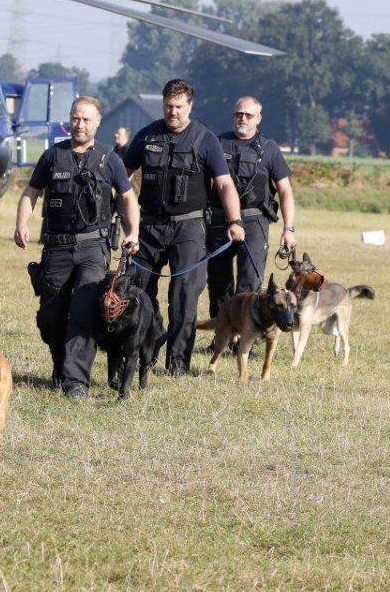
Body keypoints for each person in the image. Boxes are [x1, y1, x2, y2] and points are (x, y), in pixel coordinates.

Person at [14, 96, 140, 397]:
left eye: (86, 119)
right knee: (50, 317)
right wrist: (22, 223)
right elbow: (31, 192)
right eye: (75, 118)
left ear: (97, 123)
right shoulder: (52, 156)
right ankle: (61, 366)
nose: (79, 124)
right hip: (57, 248)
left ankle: (75, 383)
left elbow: (127, 197)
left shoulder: (110, 159)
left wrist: (133, 231)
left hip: (93, 248)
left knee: (83, 313)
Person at [122, 78, 244, 376]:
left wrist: (235, 221)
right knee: (138, 293)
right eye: (168, 106)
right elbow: (122, 177)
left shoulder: (205, 139)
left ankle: (178, 364)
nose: (172, 112)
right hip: (148, 226)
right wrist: (119, 217)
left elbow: (225, 184)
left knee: (184, 297)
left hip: (188, 228)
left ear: (189, 106)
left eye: (178, 107)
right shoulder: (147, 135)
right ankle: (144, 353)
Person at [206, 95, 296, 320]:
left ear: (259, 119)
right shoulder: (217, 143)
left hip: (255, 221)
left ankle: (245, 336)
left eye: (248, 115)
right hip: (219, 221)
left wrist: (289, 228)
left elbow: (285, 190)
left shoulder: (270, 149)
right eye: (238, 114)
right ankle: (222, 334)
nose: (243, 118)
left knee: (249, 282)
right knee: (219, 283)